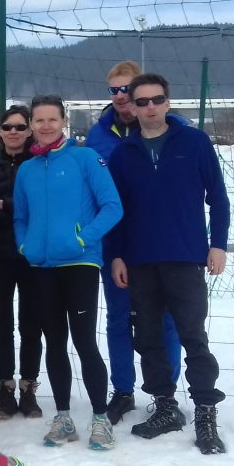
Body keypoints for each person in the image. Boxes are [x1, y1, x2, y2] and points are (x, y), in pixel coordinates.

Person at [108, 73, 231, 455]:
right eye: (141, 102)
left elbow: (219, 198)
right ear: (133, 106)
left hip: (185, 256)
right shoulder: (123, 154)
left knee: (193, 335)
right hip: (141, 260)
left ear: (168, 102)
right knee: (148, 339)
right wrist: (116, 255)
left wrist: (218, 245)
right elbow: (116, 212)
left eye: (156, 100)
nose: (149, 108)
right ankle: (165, 406)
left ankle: (206, 412)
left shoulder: (193, 142)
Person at [13, 95, 122, 450]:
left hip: (79, 264)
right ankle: (63, 417)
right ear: (31, 125)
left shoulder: (84, 158)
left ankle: (101, 418)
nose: (45, 126)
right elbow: (21, 217)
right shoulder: (27, 169)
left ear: (63, 121)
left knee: (84, 341)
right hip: (41, 267)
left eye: (52, 119)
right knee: (54, 342)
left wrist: (81, 239)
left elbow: (112, 207)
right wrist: (25, 245)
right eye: (38, 120)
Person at [85, 61, 181, 424]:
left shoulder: (177, 129)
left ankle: (166, 394)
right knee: (118, 319)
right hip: (117, 244)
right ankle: (122, 390)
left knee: (167, 319)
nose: (121, 96)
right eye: (114, 90)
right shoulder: (98, 135)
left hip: (162, 242)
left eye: (127, 89)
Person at [0, 105, 43, 420]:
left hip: (32, 256)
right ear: (0, 131)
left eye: (20, 127)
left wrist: (3, 204)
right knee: (1, 324)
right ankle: (5, 389)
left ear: (29, 130)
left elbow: (38, 207)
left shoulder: (38, 165)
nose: (13, 132)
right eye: (7, 127)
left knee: (32, 323)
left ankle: (28, 387)